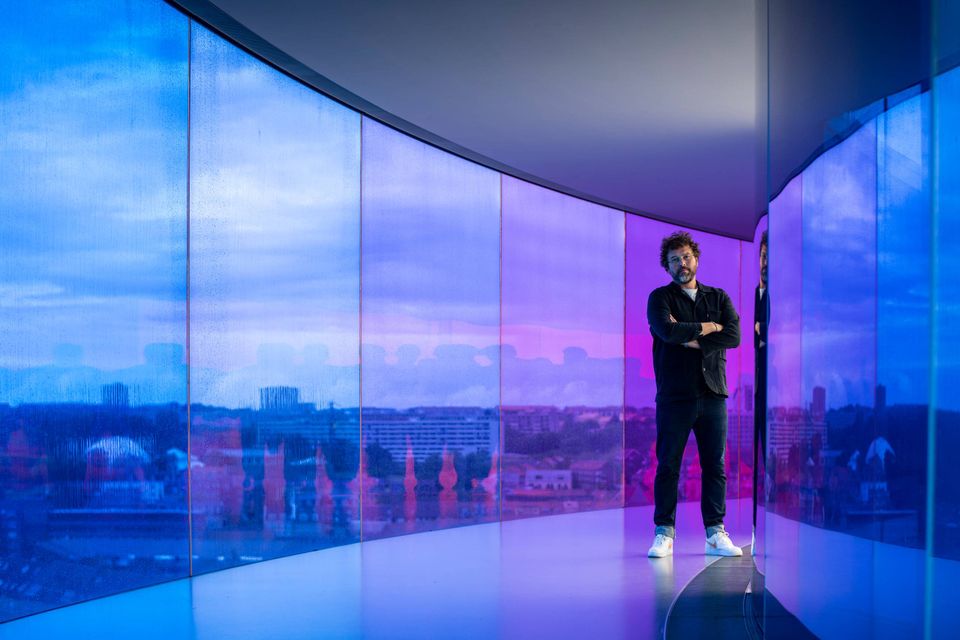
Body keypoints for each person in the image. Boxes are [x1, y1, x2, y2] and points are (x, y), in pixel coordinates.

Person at [646, 231, 742, 558]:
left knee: (715, 466)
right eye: (674, 260)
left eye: (686, 257)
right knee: (668, 466)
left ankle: (715, 534)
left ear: (696, 258)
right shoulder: (659, 298)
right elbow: (667, 330)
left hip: (713, 393)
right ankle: (664, 533)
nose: (681, 264)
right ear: (667, 267)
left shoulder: (719, 297)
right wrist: (709, 327)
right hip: (675, 396)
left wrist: (689, 338)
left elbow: (734, 335)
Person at [752, 231, 769, 542]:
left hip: (773, 383)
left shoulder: (779, 293)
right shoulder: (758, 292)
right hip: (759, 380)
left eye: (769, 257)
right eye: (763, 256)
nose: (765, 263)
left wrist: (763, 329)